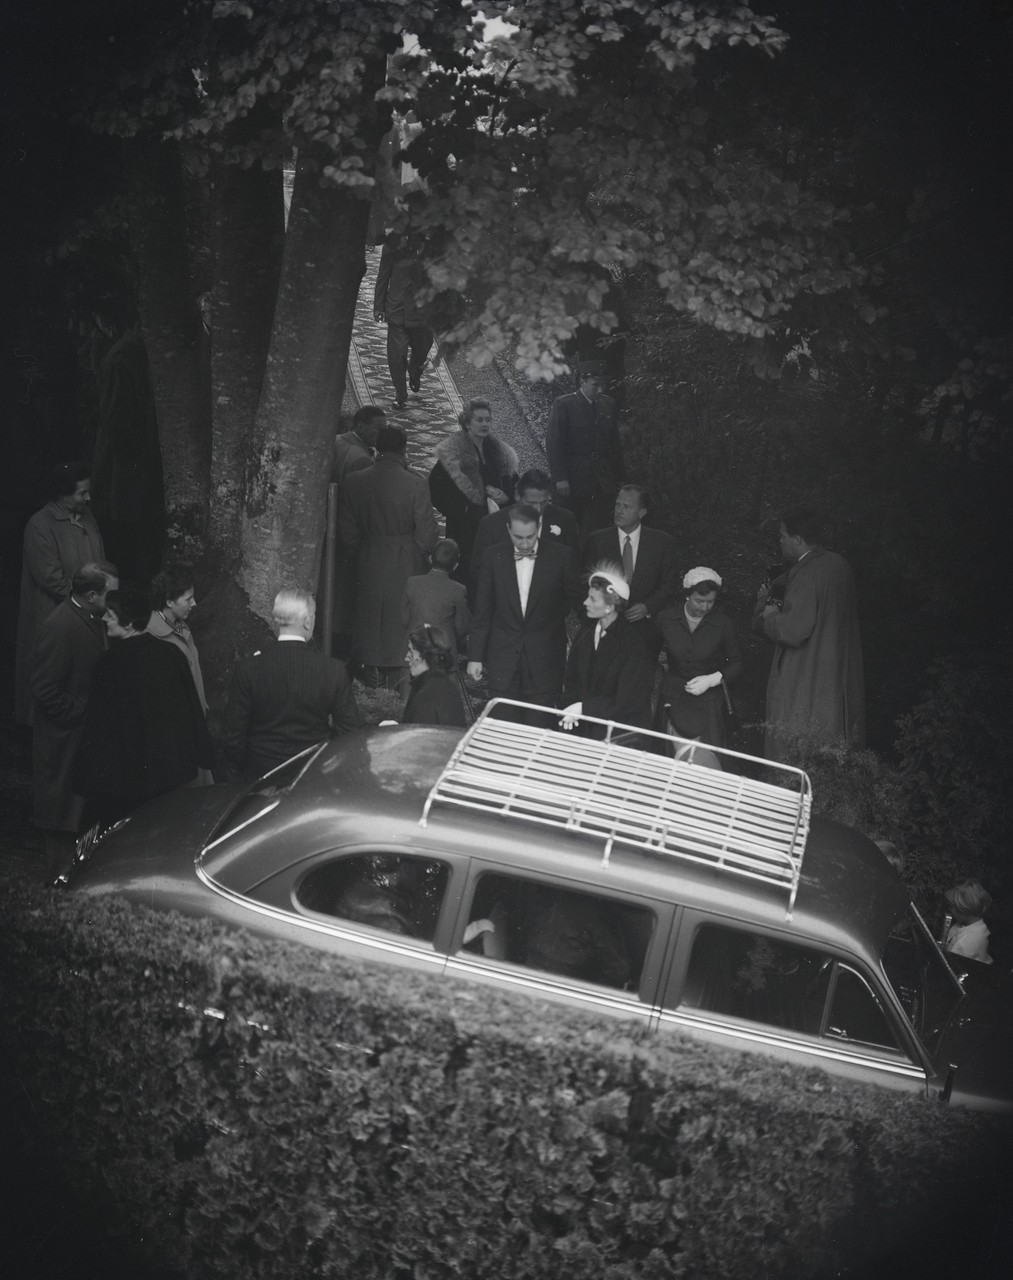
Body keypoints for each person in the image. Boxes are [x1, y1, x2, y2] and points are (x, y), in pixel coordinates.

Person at [75, 589, 214, 824]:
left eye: (110, 614)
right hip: (171, 772)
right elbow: (190, 708)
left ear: (127, 622)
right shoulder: (170, 653)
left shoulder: (109, 663)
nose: (105, 619)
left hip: (129, 778)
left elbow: (100, 726)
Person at [753, 507, 865, 761]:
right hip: (835, 672)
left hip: (806, 674)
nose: (779, 541)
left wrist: (770, 616)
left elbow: (794, 631)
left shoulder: (807, 574)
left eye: (782, 536)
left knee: (794, 735)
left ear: (798, 540)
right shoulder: (839, 564)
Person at [29, 561, 118, 872]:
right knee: (61, 820)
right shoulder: (59, 625)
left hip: (80, 744)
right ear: (92, 595)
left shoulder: (92, 618)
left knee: (78, 819)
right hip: (62, 744)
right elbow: (44, 690)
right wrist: (83, 711)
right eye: (111, 594)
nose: (115, 603)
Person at [222, 589, 362, 781]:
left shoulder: (249, 668)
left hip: (260, 777)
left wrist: (249, 769)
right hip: (313, 774)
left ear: (277, 620)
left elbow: (233, 736)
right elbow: (350, 732)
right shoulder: (333, 670)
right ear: (307, 621)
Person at [339, 424, 438, 682]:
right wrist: (419, 553)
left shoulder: (355, 480)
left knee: (369, 613)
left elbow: (347, 529)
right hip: (406, 558)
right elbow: (427, 529)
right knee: (401, 618)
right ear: (403, 449)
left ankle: (368, 669)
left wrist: (360, 552)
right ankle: (399, 671)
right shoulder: (416, 483)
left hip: (369, 554)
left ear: (377, 448)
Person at [467, 503, 582, 716]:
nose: (525, 543)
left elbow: (579, 603)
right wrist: (475, 656)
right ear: (508, 530)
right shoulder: (493, 556)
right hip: (503, 660)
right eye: (518, 537)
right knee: (504, 729)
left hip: (545, 662)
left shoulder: (562, 556)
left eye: (530, 537)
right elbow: (483, 609)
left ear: (539, 528)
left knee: (539, 729)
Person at [16, 462, 106, 725]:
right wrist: (90, 601)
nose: (88, 498)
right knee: (55, 678)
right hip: (58, 615)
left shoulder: (87, 517)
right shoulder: (40, 525)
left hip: (89, 612)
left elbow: (100, 562)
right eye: (82, 493)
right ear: (61, 493)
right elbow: (51, 579)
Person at [90, 298, 165, 582]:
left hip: (131, 477)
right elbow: (118, 425)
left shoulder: (135, 354)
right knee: (126, 552)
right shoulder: (123, 359)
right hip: (123, 480)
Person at [429, 399, 518, 584]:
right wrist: (464, 509)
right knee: (466, 577)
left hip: (494, 527)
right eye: (479, 420)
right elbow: (435, 491)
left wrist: (506, 497)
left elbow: (512, 482)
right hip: (465, 529)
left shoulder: (498, 451)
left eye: (487, 419)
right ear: (467, 423)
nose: (485, 424)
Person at [655, 567, 743, 749]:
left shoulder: (724, 624)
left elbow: (737, 663)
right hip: (673, 696)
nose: (704, 607)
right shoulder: (666, 619)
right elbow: (649, 656)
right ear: (687, 595)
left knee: (707, 754)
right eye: (699, 601)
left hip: (709, 701)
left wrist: (712, 679)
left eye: (710, 602)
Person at [560, 565, 653, 734]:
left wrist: (584, 709)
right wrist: (571, 709)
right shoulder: (585, 633)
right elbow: (571, 678)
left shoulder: (632, 644)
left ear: (610, 605)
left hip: (619, 733)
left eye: (593, 599)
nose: (585, 603)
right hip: (582, 725)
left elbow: (629, 700)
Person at [584, 485, 678, 651]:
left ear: (641, 513)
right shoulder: (598, 540)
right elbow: (586, 580)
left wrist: (647, 607)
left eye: (626, 507)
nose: (619, 511)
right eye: (617, 505)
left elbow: (668, 583)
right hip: (608, 626)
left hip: (645, 629)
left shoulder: (661, 542)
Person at [327, 404, 386, 657]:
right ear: (360, 426)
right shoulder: (361, 458)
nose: (381, 435)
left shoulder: (338, 441)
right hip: (347, 532)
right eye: (378, 429)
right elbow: (359, 505)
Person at [468, 467, 579, 599]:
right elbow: (479, 571)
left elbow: (573, 567)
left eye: (543, 503)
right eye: (531, 503)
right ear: (517, 496)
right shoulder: (491, 524)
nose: (538, 509)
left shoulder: (565, 519)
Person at [546, 360, 626, 533]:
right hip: (572, 479)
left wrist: (619, 478)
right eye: (595, 385)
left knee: (594, 530)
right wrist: (560, 477)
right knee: (565, 529)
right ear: (582, 381)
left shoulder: (608, 404)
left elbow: (614, 443)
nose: (600, 390)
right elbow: (554, 443)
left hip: (601, 481)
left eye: (603, 385)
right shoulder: (564, 404)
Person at [373, 231, 434, 409]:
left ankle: (415, 370)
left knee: (423, 347)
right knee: (397, 356)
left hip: (423, 312)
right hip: (397, 309)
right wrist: (379, 306)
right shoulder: (393, 242)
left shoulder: (433, 241)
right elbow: (383, 275)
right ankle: (400, 394)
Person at [147, 563, 208, 713]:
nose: (194, 603)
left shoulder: (183, 628)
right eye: (188, 599)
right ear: (169, 601)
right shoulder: (150, 637)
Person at [403, 539, 471, 660]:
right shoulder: (458, 589)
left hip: (414, 655)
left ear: (430, 559)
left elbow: (404, 619)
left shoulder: (412, 583)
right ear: (455, 566)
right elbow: (462, 627)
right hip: (444, 657)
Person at [402, 624, 468, 727]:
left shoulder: (426, 698)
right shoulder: (447, 685)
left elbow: (419, 739)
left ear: (425, 655)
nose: (406, 658)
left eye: (411, 652)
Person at [943, 880, 993, 965]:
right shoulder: (977, 926)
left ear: (964, 910)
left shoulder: (965, 944)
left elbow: (950, 966)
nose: (950, 910)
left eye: (953, 907)